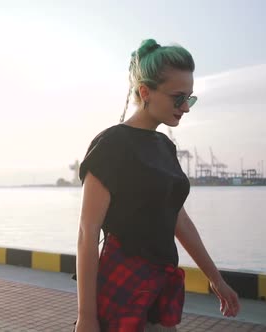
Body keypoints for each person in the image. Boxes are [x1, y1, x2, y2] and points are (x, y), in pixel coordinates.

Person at [75, 38, 240, 332]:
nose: (186, 108)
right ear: (145, 92)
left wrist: (216, 278)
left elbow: (180, 219)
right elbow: (87, 235)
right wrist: (87, 318)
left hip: (159, 292)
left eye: (190, 98)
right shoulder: (112, 144)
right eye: (178, 98)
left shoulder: (165, 146)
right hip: (123, 291)